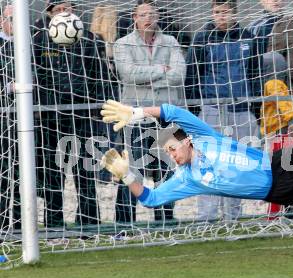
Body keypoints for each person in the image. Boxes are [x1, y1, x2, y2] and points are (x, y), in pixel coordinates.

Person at [99, 101, 293, 216]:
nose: (171, 156)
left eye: (173, 149)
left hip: (277, 163)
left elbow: (171, 112)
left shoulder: (205, 136)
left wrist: (137, 113)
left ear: (187, 141)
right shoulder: (187, 179)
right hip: (279, 192)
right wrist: (128, 175)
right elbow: (150, 199)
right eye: (167, 154)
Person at [32, 0, 109, 227]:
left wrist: (97, 107)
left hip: (82, 114)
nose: (65, 13)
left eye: (68, 8)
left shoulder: (89, 39)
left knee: (85, 169)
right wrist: (40, 107)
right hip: (50, 117)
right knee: (53, 172)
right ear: (50, 14)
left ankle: (89, 221)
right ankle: (54, 223)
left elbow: (99, 75)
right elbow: (35, 74)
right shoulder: (38, 39)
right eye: (58, 10)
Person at [185, 0, 260, 221]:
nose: (221, 16)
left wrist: (253, 107)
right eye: (217, 12)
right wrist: (196, 110)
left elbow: (255, 73)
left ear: (234, 13)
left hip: (241, 110)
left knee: (236, 166)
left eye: (225, 12)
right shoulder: (202, 38)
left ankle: (233, 217)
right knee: (207, 164)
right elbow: (192, 77)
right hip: (211, 110)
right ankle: (205, 218)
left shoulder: (247, 36)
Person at [113, 0, 186, 222]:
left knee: (166, 171)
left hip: (165, 118)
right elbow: (129, 74)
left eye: (151, 14)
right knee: (131, 172)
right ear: (135, 18)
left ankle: (165, 220)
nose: (148, 18)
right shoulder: (123, 44)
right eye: (143, 14)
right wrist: (161, 70)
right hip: (136, 119)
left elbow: (179, 74)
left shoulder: (170, 42)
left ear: (157, 17)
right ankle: (124, 224)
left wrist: (148, 76)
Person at [0, 4, 20, 231]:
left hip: (28, 119)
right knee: (4, 173)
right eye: (12, 18)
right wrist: (7, 87)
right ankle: (4, 225)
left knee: (22, 174)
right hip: (4, 117)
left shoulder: (31, 44)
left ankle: (20, 225)